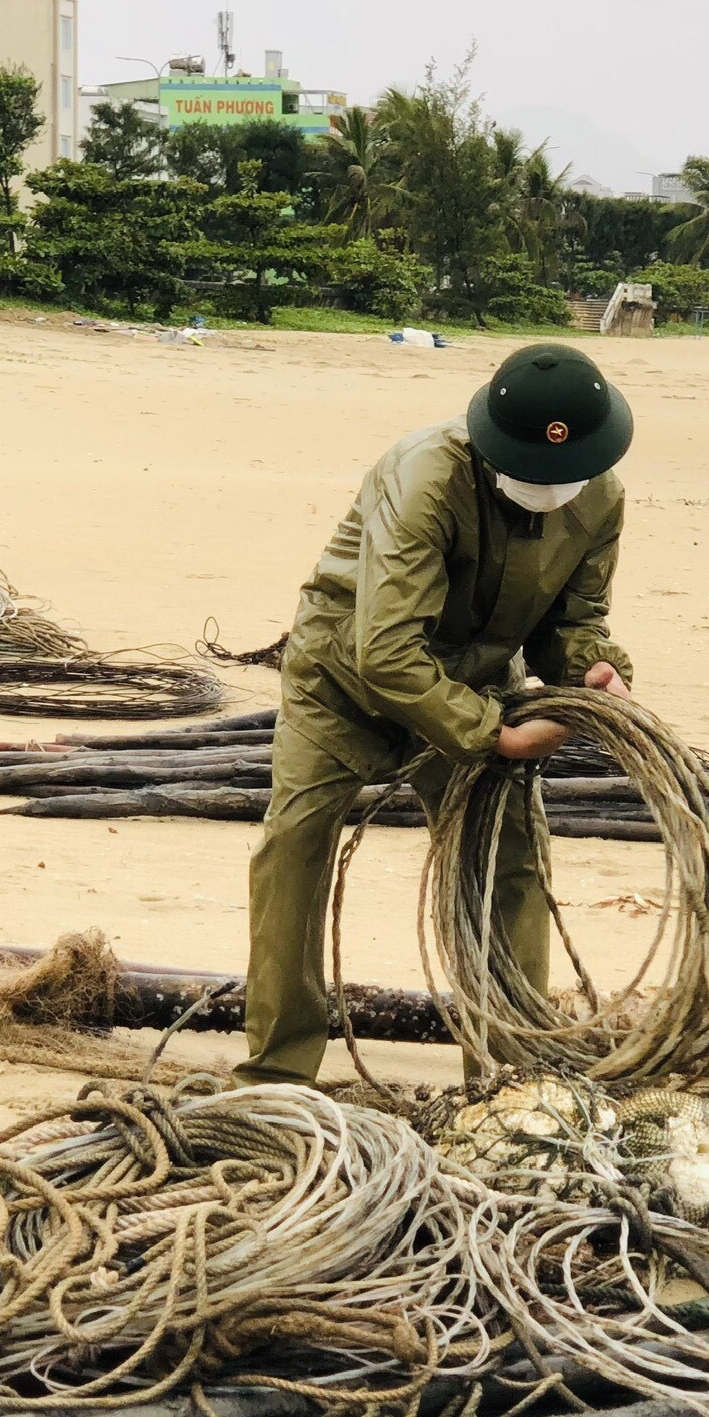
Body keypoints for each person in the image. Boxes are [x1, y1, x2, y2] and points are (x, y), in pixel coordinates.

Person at [237, 341, 636, 1087]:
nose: (552, 490)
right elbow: (385, 649)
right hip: (344, 676)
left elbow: (575, 619)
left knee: (509, 858)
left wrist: (593, 669)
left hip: (475, 677)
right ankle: (277, 1071)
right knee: (294, 844)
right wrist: (496, 737)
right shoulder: (425, 474)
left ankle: (512, 1074)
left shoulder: (601, 497)